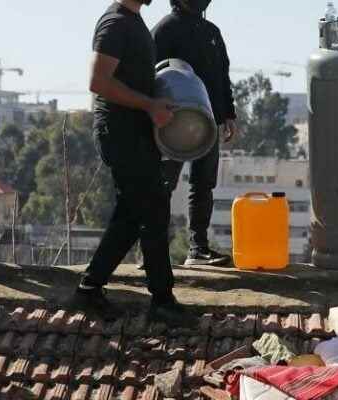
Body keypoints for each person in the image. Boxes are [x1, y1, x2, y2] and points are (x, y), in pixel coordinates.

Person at [71, 0, 193, 325]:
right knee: (153, 209)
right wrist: (150, 104)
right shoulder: (115, 23)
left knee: (131, 214)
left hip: (136, 133)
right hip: (121, 133)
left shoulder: (133, 20)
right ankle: (162, 300)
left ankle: (90, 288)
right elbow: (98, 82)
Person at [153, 0, 239, 267]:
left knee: (204, 184)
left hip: (209, 121)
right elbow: (150, 75)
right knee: (163, 186)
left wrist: (229, 114)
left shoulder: (211, 32)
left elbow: (222, 75)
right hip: (173, 123)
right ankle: (153, 252)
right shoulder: (165, 29)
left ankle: (198, 249)